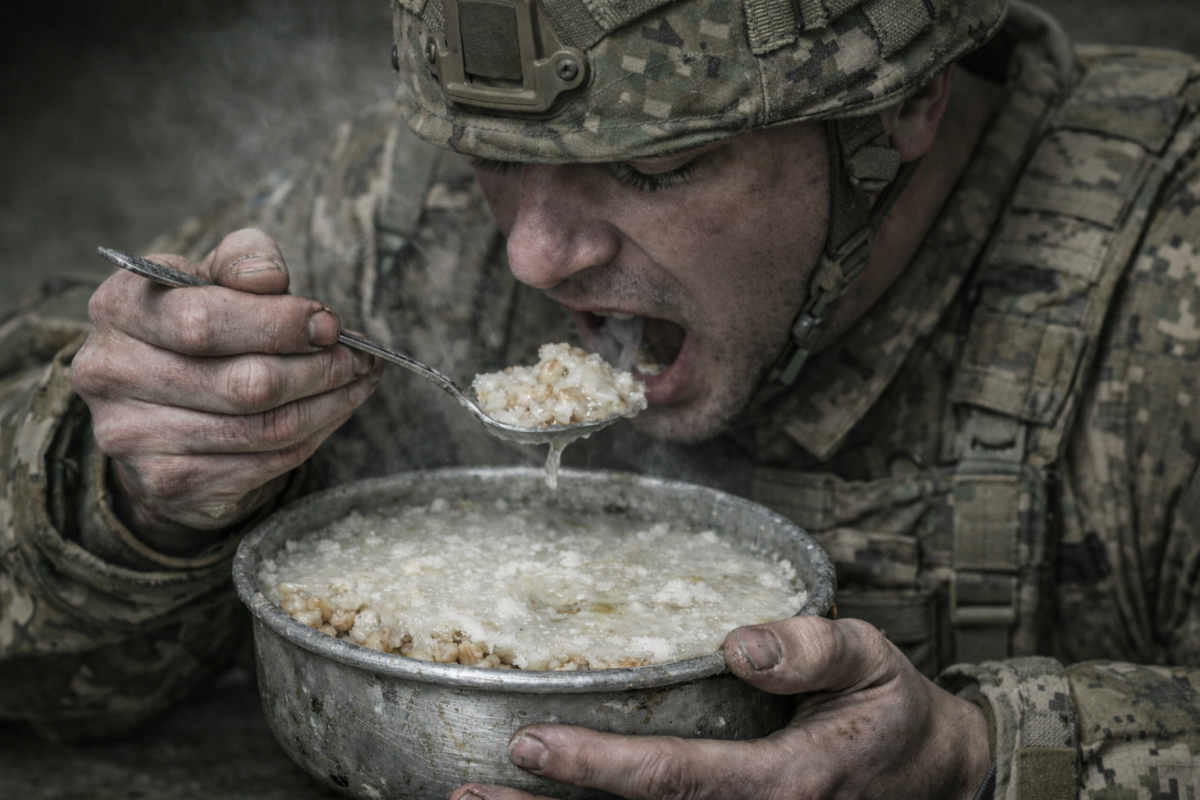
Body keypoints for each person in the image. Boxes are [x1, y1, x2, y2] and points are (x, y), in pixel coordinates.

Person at [2, 0, 1199, 796]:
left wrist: (981, 755)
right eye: (495, 159)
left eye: (654, 165)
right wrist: (129, 492)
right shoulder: (397, 223)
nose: (534, 256)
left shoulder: (1165, 280)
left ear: (904, 107)